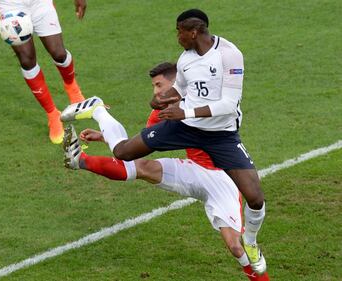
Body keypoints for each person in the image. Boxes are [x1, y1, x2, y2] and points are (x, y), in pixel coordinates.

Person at [61, 9, 266, 274]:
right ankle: (97, 112)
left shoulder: (229, 54)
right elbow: (178, 90)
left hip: (220, 142)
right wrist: (162, 99)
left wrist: (185, 112)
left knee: (253, 204)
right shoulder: (185, 61)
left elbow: (228, 104)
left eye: (179, 31)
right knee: (127, 154)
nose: (176, 36)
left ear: (194, 32)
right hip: (188, 140)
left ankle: (251, 243)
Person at [0, 0, 87, 144]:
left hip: (40, 2)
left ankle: (72, 88)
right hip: (11, 5)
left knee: (59, 53)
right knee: (26, 60)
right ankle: (52, 114)